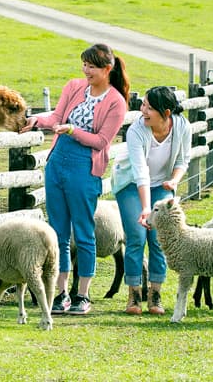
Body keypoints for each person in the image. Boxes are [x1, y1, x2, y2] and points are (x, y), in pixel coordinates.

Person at [20, 43, 129, 315]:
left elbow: (102, 141)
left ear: (107, 69)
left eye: (91, 66)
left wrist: (73, 131)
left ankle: (83, 295)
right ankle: (61, 293)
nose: (86, 70)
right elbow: (56, 116)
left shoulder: (116, 102)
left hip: (85, 168)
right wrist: (38, 121)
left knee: (83, 232)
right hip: (57, 163)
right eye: (84, 64)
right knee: (58, 232)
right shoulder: (73, 87)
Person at [112, 85, 191, 315]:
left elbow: (183, 160)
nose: (142, 110)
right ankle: (134, 295)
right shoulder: (137, 130)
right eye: (143, 104)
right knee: (136, 236)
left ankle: (155, 295)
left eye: (148, 107)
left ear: (166, 113)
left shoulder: (182, 127)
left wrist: (174, 181)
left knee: (159, 237)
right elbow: (140, 172)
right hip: (130, 184)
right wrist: (146, 208)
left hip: (163, 184)